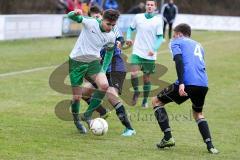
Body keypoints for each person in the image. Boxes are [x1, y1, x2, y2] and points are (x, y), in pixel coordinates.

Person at [151, 23, 219, 154]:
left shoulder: (177, 42)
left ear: (179, 34)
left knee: (156, 101)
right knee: (198, 113)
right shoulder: (199, 45)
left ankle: (168, 138)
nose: (173, 38)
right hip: (203, 84)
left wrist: (181, 83)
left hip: (187, 82)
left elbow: (179, 61)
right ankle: (210, 146)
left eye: (174, 35)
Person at [82, 5, 136, 136]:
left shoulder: (110, 27)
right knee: (84, 92)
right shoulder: (91, 30)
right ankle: (103, 112)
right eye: (93, 16)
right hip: (100, 67)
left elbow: (119, 41)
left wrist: (122, 43)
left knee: (111, 95)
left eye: (98, 15)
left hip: (115, 66)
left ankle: (129, 128)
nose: (96, 18)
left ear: (102, 16)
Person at [67, 8, 120, 134]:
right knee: (76, 97)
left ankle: (87, 115)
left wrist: (103, 68)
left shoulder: (112, 36)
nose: (110, 27)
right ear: (102, 19)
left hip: (93, 62)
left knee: (104, 85)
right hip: (76, 62)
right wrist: (75, 12)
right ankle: (76, 120)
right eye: (108, 24)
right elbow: (71, 16)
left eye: (113, 25)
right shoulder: (91, 22)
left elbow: (109, 52)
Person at [126, 0, 164, 108]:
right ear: (145, 6)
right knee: (133, 74)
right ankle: (137, 91)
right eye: (148, 4)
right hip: (137, 51)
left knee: (146, 79)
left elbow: (160, 37)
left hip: (150, 54)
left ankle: (145, 101)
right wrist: (128, 37)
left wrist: (154, 49)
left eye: (152, 5)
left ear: (155, 7)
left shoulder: (158, 21)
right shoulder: (138, 17)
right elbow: (130, 29)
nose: (149, 6)